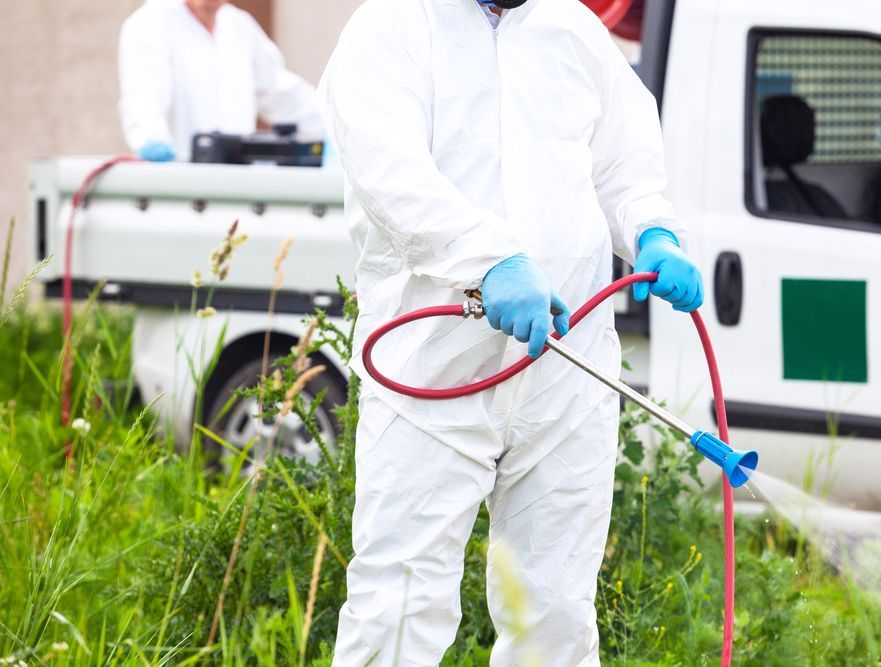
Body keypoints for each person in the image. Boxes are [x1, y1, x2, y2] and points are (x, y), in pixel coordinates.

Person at [319, 0, 703, 663]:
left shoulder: (573, 30)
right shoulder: (392, 26)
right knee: (400, 605)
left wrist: (651, 230)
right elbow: (390, 174)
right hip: (434, 366)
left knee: (553, 610)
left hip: (568, 368)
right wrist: (489, 259)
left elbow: (624, 162)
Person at [118, 0, 324, 162]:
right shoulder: (151, 22)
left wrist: (331, 126)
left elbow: (280, 91)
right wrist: (151, 139)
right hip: (178, 179)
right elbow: (144, 94)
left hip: (234, 179)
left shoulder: (239, 25)